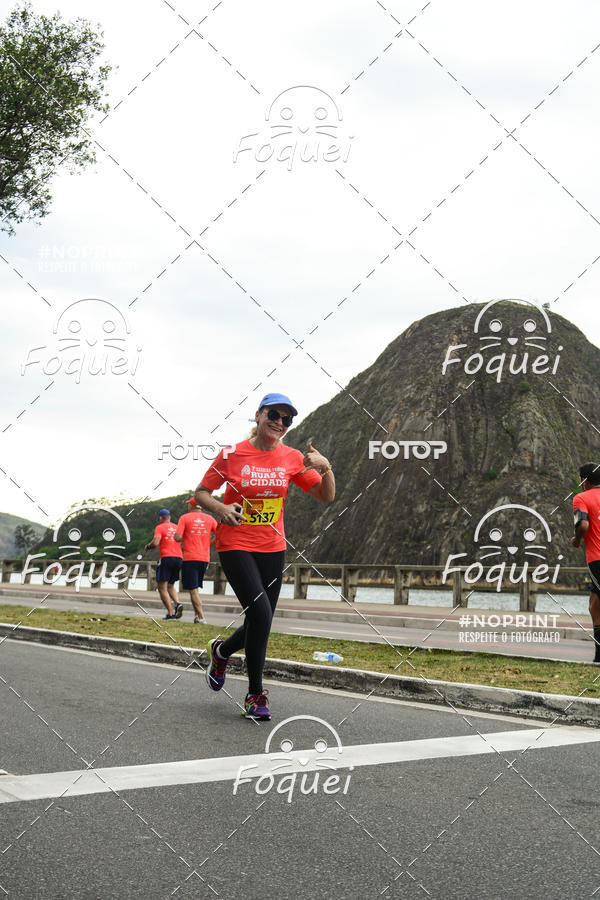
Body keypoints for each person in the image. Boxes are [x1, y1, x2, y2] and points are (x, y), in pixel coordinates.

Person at [194, 392, 335, 720]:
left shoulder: (292, 458)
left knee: (262, 619)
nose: (280, 423)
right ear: (258, 415)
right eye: (274, 414)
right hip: (235, 543)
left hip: (273, 547)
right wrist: (221, 508)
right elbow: (201, 493)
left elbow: (326, 495)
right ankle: (255, 694)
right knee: (259, 613)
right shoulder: (231, 454)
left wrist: (326, 468)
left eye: (287, 419)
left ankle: (221, 651)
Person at [573, 463, 600, 663]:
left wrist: (577, 539)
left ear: (585, 481)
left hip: (597, 558)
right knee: (594, 605)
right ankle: (598, 657)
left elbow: (582, 524)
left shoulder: (581, 497)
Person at [175, 498, 217, 623]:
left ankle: (202, 617)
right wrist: (209, 544)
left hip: (190, 557)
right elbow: (220, 534)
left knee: (192, 589)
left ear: (192, 505)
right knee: (195, 588)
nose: (187, 506)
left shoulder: (184, 518)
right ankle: (196, 616)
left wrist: (178, 537)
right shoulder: (210, 519)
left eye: (188, 504)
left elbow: (177, 537)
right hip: (204, 558)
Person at [144, 508, 183, 620]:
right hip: (179, 558)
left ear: (161, 518)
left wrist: (148, 546)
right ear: (169, 517)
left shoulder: (160, 527)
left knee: (161, 587)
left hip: (167, 558)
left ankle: (171, 614)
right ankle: (177, 603)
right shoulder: (176, 527)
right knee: (170, 585)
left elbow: (156, 542)